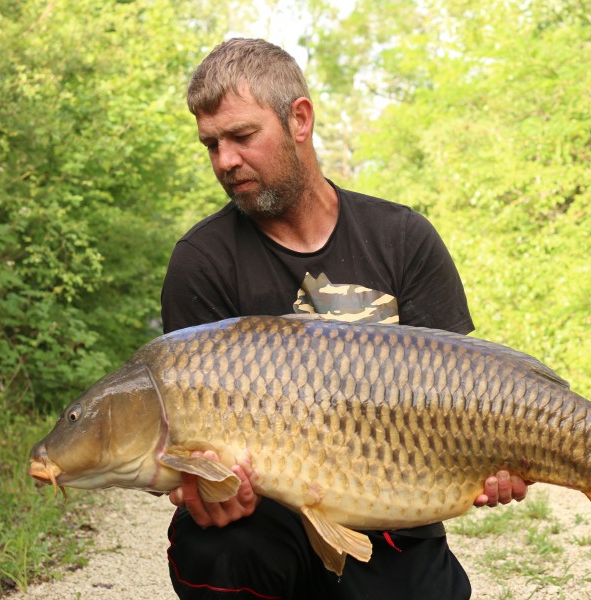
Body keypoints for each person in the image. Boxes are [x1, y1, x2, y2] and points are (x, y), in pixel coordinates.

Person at [160, 37, 528, 600]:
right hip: (263, 521)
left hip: (387, 515)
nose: (225, 161)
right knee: (218, 553)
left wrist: (502, 460)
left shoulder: (403, 238)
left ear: (299, 119)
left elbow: (469, 395)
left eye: (241, 137)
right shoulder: (202, 261)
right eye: (211, 144)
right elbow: (188, 433)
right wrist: (204, 490)